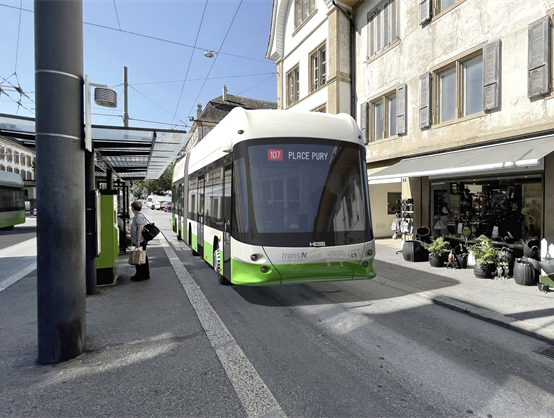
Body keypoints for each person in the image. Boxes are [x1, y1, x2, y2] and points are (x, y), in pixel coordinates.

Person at [130, 201, 150, 281]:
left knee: (138, 258)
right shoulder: (138, 216)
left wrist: (137, 241)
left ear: (133, 208)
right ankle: (142, 274)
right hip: (138, 241)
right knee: (141, 257)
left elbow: (140, 229)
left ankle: (140, 275)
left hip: (139, 241)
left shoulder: (138, 217)